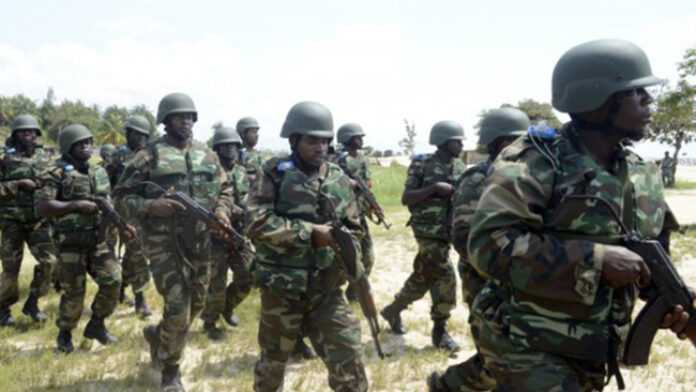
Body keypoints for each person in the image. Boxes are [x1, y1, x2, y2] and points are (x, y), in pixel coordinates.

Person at [466, 39, 693, 391]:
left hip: (594, 345)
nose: (650, 103)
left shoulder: (643, 174)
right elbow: (488, 246)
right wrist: (596, 260)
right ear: (598, 99)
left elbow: (651, 260)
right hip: (525, 338)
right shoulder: (536, 160)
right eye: (637, 94)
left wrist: (671, 301)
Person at [115, 93, 233, 391]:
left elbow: (225, 189)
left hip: (201, 241)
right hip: (163, 242)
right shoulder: (148, 155)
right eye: (180, 116)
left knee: (197, 302)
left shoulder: (208, 154)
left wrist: (221, 211)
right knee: (178, 303)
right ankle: (171, 370)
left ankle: (159, 335)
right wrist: (150, 206)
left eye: (191, 116)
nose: (187, 121)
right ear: (166, 120)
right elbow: (120, 197)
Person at [248, 101, 368, 392]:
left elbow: (355, 230)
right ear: (294, 140)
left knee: (349, 360)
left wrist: (351, 252)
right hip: (282, 289)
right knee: (272, 366)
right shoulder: (273, 173)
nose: (321, 147)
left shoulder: (338, 178)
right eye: (313, 140)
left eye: (325, 140)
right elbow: (255, 222)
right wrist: (308, 233)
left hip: (326, 290)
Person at [428, 107, 530, 391]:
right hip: (483, 281)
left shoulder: (527, 177)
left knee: (513, 356)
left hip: (518, 281)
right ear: (499, 143)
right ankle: (448, 385)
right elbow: (464, 238)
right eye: (518, 141)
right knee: (494, 355)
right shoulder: (476, 179)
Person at [36, 124, 128, 353]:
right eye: (80, 144)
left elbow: (107, 203)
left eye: (89, 142)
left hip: (98, 240)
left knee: (113, 280)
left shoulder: (99, 171)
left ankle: (96, 324)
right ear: (68, 147)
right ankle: (65, 334)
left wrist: (115, 227)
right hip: (69, 242)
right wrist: (75, 205)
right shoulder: (54, 173)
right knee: (74, 291)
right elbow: (43, 206)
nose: (87, 147)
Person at [380, 120, 466, 352]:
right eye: (457, 140)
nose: (461, 144)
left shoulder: (460, 166)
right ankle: (440, 331)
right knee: (445, 276)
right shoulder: (422, 164)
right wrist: (434, 188)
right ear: (444, 141)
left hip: (450, 229)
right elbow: (407, 198)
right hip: (428, 230)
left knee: (425, 275)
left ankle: (393, 309)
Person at [0, 114, 58, 326]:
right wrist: (18, 184)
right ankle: (3, 309)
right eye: (24, 131)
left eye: (32, 131)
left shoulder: (45, 157)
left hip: (38, 222)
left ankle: (32, 301)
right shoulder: (4, 158)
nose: (29, 135)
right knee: (10, 269)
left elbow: (56, 180)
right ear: (15, 134)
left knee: (50, 261)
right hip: (11, 222)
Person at [200, 126, 254, 340]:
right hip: (216, 236)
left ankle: (227, 307)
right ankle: (210, 321)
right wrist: (231, 210)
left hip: (240, 234)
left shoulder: (241, 172)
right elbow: (207, 201)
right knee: (216, 282)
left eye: (233, 145)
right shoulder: (208, 172)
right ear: (217, 149)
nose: (230, 150)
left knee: (248, 275)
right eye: (225, 146)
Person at [114, 115, 153, 317]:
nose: (139, 138)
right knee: (137, 252)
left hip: (147, 210)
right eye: (135, 134)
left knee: (133, 253)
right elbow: (108, 183)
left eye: (142, 135)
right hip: (124, 211)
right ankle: (140, 299)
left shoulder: (151, 155)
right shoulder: (118, 156)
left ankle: (120, 289)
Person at [334, 123, 375, 302]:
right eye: (358, 137)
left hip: (361, 212)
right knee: (347, 255)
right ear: (348, 139)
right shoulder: (338, 160)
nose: (361, 140)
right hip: (345, 215)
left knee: (369, 256)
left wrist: (372, 204)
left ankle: (353, 290)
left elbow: (367, 184)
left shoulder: (363, 159)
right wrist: (347, 182)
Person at [238, 116, 265, 186]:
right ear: (243, 134)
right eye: (253, 132)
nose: (257, 135)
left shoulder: (260, 155)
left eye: (257, 132)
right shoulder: (236, 155)